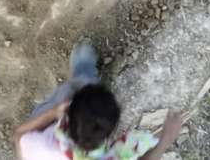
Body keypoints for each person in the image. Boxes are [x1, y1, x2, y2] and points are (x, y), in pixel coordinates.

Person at [13, 42, 182, 160]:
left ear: (68, 113)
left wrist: (53, 112)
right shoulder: (117, 153)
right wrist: (165, 140)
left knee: (76, 86)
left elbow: (19, 135)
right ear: (110, 134)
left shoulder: (40, 146)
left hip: (47, 125)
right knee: (85, 83)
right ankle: (84, 75)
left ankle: (82, 75)